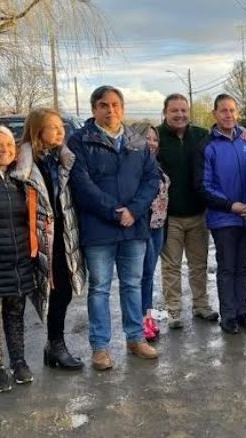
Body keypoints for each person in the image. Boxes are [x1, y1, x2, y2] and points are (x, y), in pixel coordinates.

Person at [68, 86, 161, 370]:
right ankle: (100, 347)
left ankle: (135, 338)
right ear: (94, 109)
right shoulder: (80, 142)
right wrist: (113, 211)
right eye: (104, 105)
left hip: (134, 227)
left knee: (133, 284)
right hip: (99, 229)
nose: (111, 110)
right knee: (100, 288)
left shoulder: (137, 141)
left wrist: (134, 210)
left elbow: (152, 179)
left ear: (123, 107)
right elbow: (82, 184)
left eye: (116, 105)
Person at [0, 126, 50, 391]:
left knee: (16, 313)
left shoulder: (21, 177)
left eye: (9, 144)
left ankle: (19, 362)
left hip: (20, 257)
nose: (5, 149)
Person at [17, 108, 86, 371]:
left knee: (63, 291)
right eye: (53, 127)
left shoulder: (61, 160)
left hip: (62, 236)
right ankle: (18, 358)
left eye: (61, 127)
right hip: (34, 238)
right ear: (37, 131)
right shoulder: (23, 164)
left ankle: (55, 345)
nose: (60, 132)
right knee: (31, 296)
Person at [196, 94, 246, 334]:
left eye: (232, 110)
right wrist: (231, 205)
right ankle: (228, 315)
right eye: (223, 111)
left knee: (243, 268)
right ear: (215, 114)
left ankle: (242, 311)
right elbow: (204, 186)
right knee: (227, 268)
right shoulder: (207, 146)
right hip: (224, 218)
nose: (228, 115)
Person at [156, 94, 218, 330]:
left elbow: (224, 135)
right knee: (171, 266)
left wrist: (242, 131)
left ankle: (201, 305)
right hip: (170, 217)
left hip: (198, 213)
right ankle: (174, 311)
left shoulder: (201, 135)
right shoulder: (157, 137)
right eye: (175, 111)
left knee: (199, 264)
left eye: (183, 110)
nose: (180, 115)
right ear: (165, 112)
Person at [135, 123, 171, 341]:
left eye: (154, 139)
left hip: (158, 226)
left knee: (148, 276)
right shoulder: (133, 166)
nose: (151, 142)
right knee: (141, 277)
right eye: (146, 138)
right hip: (143, 227)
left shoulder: (155, 165)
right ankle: (140, 320)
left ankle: (148, 317)